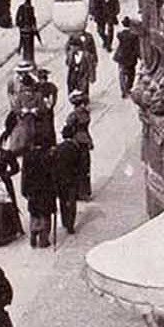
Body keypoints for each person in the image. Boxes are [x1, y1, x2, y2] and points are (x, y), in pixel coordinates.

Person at [55, 101, 92, 235]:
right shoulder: (75, 148)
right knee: (71, 201)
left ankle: (65, 221)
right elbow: (81, 165)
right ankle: (70, 223)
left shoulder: (57, 149)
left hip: (60, 180)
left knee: (63, 201)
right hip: (72, 179)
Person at [65, 28, 98, 101]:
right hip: (73, 73)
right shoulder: (71, 53)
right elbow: (67, 61)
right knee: (71, 85)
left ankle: (84, 100)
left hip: (83, 72)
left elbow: (90, 66)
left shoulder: (87, 55)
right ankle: (74, 99)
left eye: (74, 47)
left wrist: (92, 77)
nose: (72, 48)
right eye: (72, 47)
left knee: (83, 86)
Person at [115, 15, 142, 95]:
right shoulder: (134, 36)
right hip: (131, 58)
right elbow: (137, 48)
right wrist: (140, 57)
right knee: (131, 73)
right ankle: (128, 87)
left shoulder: (120, 34)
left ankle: (123, 90)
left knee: (121, 73)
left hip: (121, 56)